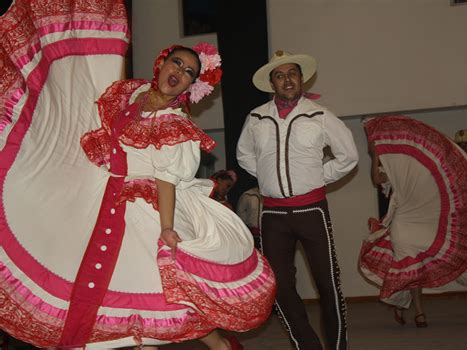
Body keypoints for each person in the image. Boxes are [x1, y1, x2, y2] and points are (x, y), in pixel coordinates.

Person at [0, 2, 276, 349]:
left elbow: (166, 179)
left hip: (145, 206)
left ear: (191, 86)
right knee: (118, 299)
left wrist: (165, 226)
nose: (181, 71)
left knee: (159, 294)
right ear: (162, 63)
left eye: (190, 72)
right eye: (178, 62)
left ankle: (222, 346)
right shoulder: (128, 95)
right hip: (105, 193)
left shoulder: (175, 124)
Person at [237, 50, 358, 350]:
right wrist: (269, 179)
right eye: (280, 75)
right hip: (272, 215)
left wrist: (317, 176)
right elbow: (244, 155)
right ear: (272, 83)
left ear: (301, 79)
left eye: (292, 73)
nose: (287, 79)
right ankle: (308, 346)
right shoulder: (256, 118)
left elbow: (349, 157)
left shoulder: (320, 115)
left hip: (312, 210)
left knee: (328, 285)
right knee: (278, 287)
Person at [359, 116, 467, 328]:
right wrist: (375, 154)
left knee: (417, 268)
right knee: (410, 267)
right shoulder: (393, 169)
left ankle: (401, 304)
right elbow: (377, 179)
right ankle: (418, 313)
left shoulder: (420, 166)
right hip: (402, 225)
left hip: (422, 223)